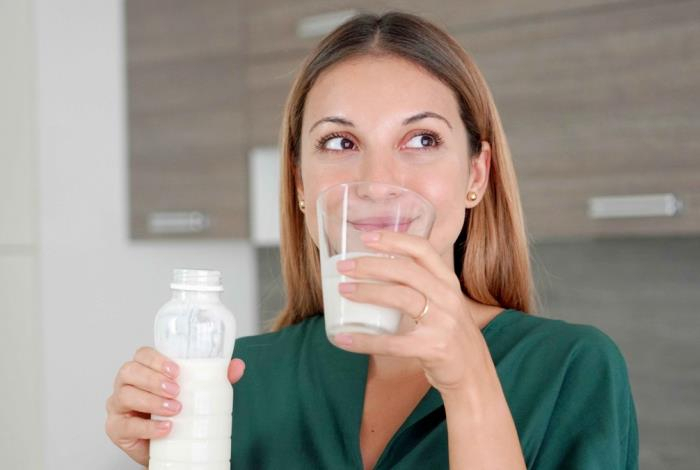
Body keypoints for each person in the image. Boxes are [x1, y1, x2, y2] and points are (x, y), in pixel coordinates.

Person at [105, 12, 638, 469]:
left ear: (476, 175)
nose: (377, 183)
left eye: (422, 139)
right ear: (299, 184)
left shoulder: (571, 370)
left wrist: (469, 382)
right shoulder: (238, 376)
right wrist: (170, 456)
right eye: (340, 142)